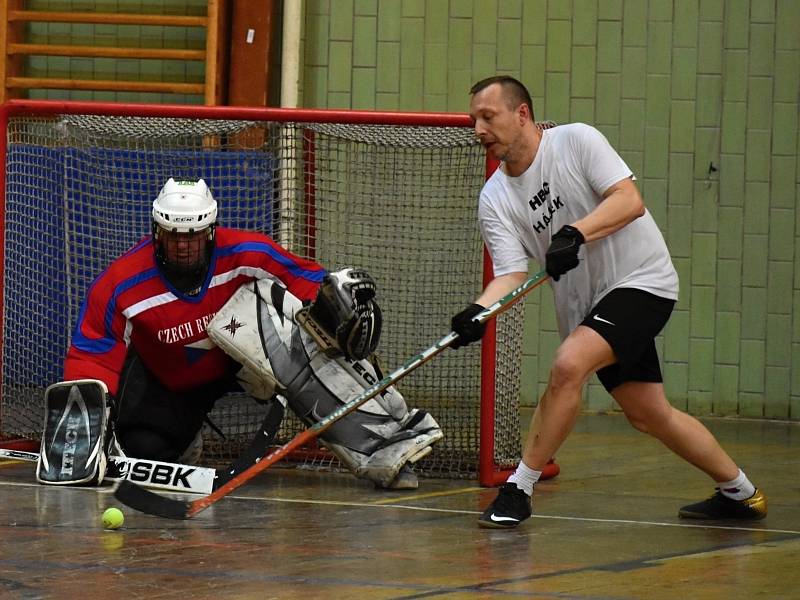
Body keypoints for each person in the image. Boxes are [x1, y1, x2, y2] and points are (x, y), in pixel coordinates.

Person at [450, 76, 766, 528]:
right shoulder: (494, 198)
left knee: (568, 364)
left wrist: (576, 233)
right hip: (589, 307)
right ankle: (741, 494)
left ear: (522, 114)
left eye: (488, 116)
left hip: (642, 281)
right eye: (473, 120)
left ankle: (518, 488)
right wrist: (479, 311)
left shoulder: (576, 141)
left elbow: (629, 201)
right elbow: (511, 275)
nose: (478, 129)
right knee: (648, 414)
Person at [37, 177, 441, 490]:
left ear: (210, 230)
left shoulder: (248, 253)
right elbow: (93, 352)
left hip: (250, 358)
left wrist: (335, 299)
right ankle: (184, 439)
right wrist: (86, 425)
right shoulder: (122, 283)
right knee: (143, 453)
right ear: (157, 231)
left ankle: (385, 445)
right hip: (171, 378)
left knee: (303, 335)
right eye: (174, 235)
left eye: (192, 236)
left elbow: (304, 279)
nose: (183, 246)